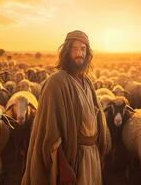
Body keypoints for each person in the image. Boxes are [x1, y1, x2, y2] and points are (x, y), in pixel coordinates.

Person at [21, 30, 108, 185]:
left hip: (92, 155)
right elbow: (50, 133)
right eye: (74, 48)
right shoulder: (56, 82)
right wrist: (64, 167)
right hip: (73, 158)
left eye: (83, 49)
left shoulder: (87, 81)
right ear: (66, 51)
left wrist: (99, 151)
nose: (79, 53)